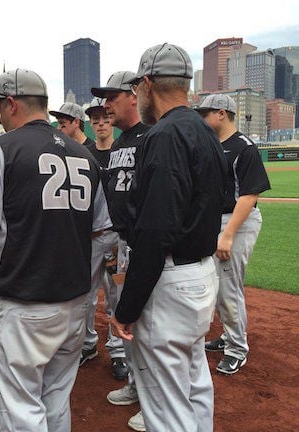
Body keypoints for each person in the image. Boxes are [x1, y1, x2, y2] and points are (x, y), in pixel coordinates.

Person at [0, 68, 111, 432]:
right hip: (73, 303)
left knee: (20, 405)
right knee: (56, 398)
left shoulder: (0, 149)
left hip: (22, 303)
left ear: (12, 104)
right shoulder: (84, 155)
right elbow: (103, 233)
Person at [109, 43, 228, 432]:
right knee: (194, 386)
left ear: (146, 84)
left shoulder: (163, 134)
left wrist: (127, 308)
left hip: (172, 280)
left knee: (166, 407)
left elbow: (155, 231)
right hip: (202, 276)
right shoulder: (206, 131)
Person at [91, 70, 151, 431]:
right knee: (122, 313)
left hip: (141, 243)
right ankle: (135, 384)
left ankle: (152, 401)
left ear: (134, 95)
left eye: (113, 96)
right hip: (120, 242)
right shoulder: (120, 142)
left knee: (142, 321)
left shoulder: (151, 136)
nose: (106, 104)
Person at [195, 93, 271, 374]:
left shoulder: (244, 147)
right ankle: (228, 336)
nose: (202, 118)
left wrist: (227, 235)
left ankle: (237, 348)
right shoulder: (213, 146)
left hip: (238, 221)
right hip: (217, 220)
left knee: (228, 287)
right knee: (215, 288)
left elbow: (249, 196)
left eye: (206, 113)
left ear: (222, 114)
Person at [78, 98, 126, 380]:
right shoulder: (84, 155)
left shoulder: (123, 152)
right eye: (95, 119)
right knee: (84, 296)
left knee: (116, 296)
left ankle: (118, 351)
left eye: (106, 117)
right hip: (91, 238)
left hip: (118, 239)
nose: (101, 123)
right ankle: (87, 344)